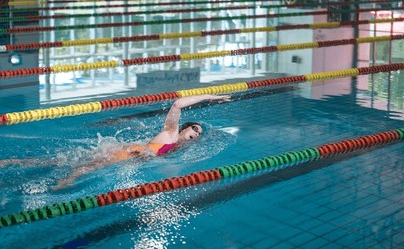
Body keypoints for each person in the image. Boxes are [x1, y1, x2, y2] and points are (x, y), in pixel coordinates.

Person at [0, 94, 231, 190]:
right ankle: (59, 184)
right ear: (183, 128)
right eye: (194, 129)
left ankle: (12, 163)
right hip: (126, 154)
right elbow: (178, 103)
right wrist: (212, 96)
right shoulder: (171, 134)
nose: (197, 134)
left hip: (127, 155)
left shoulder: (177, 146)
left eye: (199, 133)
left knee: (60, 160)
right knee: (83, 167)